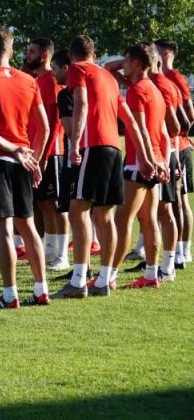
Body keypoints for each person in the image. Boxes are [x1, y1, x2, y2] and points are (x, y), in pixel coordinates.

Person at [52, 35, 153, 299]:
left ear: (71, 56)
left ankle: (78, 281)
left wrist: (75, 144)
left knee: (78, 211)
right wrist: (144, 157)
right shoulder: (108, 77)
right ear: (94, 54)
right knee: (104, 216)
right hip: (113, 149)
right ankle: (104, 280)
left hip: (92, 146)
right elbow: (130, 121)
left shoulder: (78, 69)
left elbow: (82, 103)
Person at [0, 27, 50, 308]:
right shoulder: (29, 80)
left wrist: (13, 149)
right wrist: (33, 158)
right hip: (23, 160)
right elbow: (45, 128)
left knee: (3, 230)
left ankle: (9, 295)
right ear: (11, 51)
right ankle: (41, 290)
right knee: (27, 226)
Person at [108, 44, 170, 290]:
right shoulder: (154, 90)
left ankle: (109, 276)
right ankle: (151, 274)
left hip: (139, 163)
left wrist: (145, 160)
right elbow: (164, 134)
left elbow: (139, 129)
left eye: (126, 60)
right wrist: (163, 162)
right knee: (148, 219)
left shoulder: (136, 91)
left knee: (122, 221)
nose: (122, 63)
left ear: (135, 63)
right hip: (155, 161)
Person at [23, 38, 70, 266]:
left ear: (44, 56)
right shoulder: (36, 81)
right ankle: (48, 252)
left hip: (52, 153)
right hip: (37, 152)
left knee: (55, 205)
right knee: (42, 204)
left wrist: (43, 155)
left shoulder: (51, 82)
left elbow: (52, 124)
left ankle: (62, 256)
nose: (27, 55)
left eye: (31, 52)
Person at [157, 39, 193, 265]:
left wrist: (179, 136)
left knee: (179, 201)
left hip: (178, 148)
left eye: (158, 49)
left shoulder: (174, 78)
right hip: (170, 146)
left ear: (167, 52)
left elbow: (188, 114)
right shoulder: (161, 77)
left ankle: (184, 251)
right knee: (167, 202)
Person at [49, 50, 74, 271]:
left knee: (65, 206)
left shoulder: (66, 94)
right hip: (84, 153)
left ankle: (63, 256)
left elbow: (70, 130)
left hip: (69, 155)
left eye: (55, 69)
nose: (52, 73)